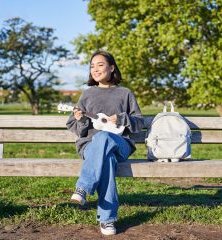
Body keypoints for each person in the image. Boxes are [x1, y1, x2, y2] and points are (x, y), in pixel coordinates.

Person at [66, 50, 144, 235]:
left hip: (120, 145)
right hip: (91, 147)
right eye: (92, 66)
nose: (95, 69)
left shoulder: (125, 93)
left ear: (111, 68)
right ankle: (107, 220)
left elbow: (139, 122)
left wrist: (122, 119)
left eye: (100, 64)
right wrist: (81, 119)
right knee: (105, 158)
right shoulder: (87, 95)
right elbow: (74, 126)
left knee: (103, 139)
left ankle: (83, 187)